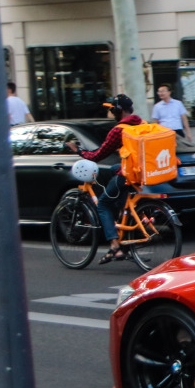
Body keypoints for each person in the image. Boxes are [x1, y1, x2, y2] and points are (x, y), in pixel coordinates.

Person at [66, 94, 142, 264]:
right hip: (141, 173)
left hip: (128, 174)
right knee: (113, 170)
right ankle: (121, 217)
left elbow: (97, 155)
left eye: (112, 108)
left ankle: (114, 245)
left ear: (119, 110)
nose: (110, 111)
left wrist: (78, 150)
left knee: (102, 204)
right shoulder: (141, 124)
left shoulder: (119, 129)